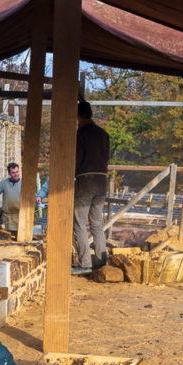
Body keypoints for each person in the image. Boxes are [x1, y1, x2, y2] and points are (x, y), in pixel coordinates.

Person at [73, 100, 111, 272]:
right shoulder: (104, 135)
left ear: (78, 116)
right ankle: (102, 262)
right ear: (91, 114)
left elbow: (76, 161)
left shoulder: (80, 134)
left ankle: (85, 264)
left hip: (86, 181)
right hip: (102, 181)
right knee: (96, 223)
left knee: (79, 222)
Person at [0, 162, 23, 232]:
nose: (16, 174)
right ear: (9, 173)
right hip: (7, 216)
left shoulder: (24, 183)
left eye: (17, 172)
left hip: (20, 216)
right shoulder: (4, 183)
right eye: (13, 173)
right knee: (5, 237)